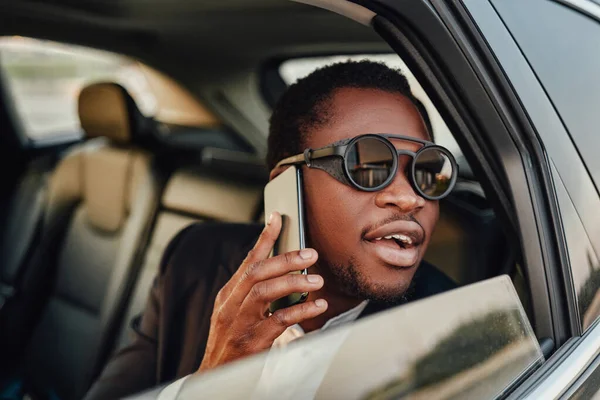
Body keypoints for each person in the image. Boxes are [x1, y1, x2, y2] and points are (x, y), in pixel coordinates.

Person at [85, 60, 457, 399]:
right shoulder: (194, 259)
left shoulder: (453, 326)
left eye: (427, 171)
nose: (410, 199)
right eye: (369, 164)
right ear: (286, 185)